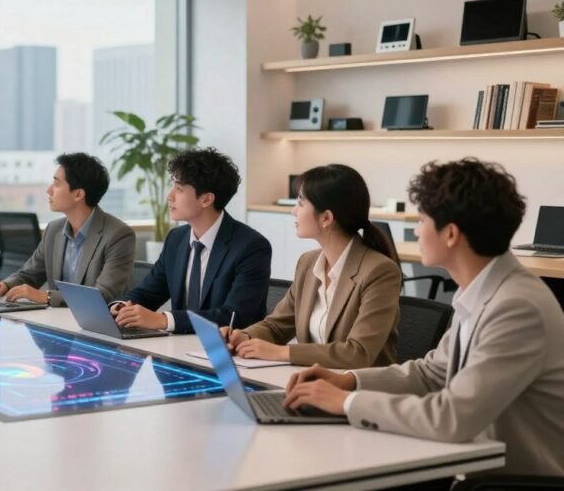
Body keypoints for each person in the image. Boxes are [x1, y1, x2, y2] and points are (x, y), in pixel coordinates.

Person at [284, 158, 564, 477]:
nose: (416, 230)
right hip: (467, 467)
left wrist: (345, 402)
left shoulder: (516, 307)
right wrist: (348, 380)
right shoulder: (483, 291)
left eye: (421, 220)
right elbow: (431, 373)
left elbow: (451, 417)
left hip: (506, 482)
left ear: (451, 234)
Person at [220, 164, 401, 368]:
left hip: (360, 385)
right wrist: (244, 336)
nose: (294, 211)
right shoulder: (308, 263)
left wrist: (282, 352)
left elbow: (358, 353)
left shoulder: (379, 271)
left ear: (326, 218)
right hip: (312, 379)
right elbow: (277, 326)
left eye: (300, 203)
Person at [112, 148, 271, 334]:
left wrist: (164, 320)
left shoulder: (251, 246)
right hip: (179, 345)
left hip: (228, 347)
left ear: (206, 199)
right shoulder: (176, 238)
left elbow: (236, 316)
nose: (170, 196)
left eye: (179, 189)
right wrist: (121, 306)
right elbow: (149, 292)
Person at [0, 153, 136, 306]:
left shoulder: (118, 235)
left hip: (96, 320)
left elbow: (102, 294)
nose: (49, 190)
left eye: (56, 184)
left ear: (78, 194)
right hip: (57, 317)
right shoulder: (53, 230)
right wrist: (5, 285)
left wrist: (48, 297)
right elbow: (30, 274)